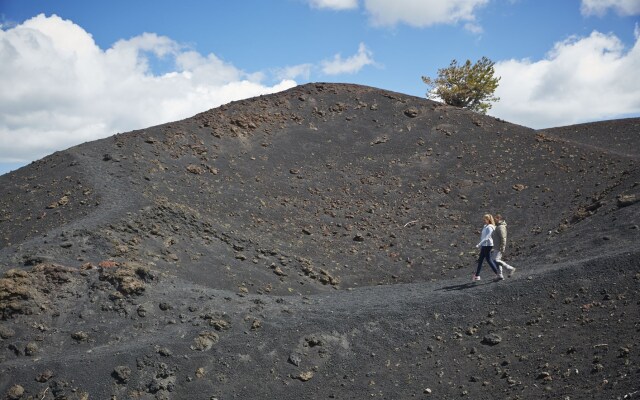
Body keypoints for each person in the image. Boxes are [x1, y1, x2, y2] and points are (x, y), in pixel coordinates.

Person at [473, 214, 503, 281]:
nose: (484, 220)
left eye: (485, 219)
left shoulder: (490, 227)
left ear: (489, 219)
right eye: (484, 219)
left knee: (488, 260)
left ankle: (498, 274)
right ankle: (477, 275)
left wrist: (479, 244)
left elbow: (487, 237)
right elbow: (483, 237)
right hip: (485, 245)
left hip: (488, 245)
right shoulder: (485, 226)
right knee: (481, 260)